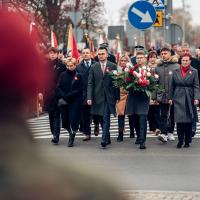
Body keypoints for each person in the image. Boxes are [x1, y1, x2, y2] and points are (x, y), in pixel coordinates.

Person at [0, 10, 124, 200]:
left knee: (85, 119)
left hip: (80, 100)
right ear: (30, 81)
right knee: (63, 120)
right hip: (65, 99)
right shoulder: (89, 190)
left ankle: (91, 134)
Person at [87, 47, 120, 148]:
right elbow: (90, 83)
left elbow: (116, 83)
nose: (101, 55)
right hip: (97, 96)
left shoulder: (113, 66)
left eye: (103, 54)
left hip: (108, 97)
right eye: (99, 54)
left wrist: (117, 96)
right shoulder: (93, 67)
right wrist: (89, 97)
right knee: (101, 118)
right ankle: (108, 137)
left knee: (106, 117)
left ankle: (104, 139)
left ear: (107, 55)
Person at [169, 53, 200, 148]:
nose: (185, 62)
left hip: (189, 97)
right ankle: (180, 140)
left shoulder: (194, 71)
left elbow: (196, 86)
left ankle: (187, 140)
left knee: (188, 120)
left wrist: (196, 98)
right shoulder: (175, 71)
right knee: (179, 120)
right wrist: (170, 98)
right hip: (178, 96)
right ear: (180, 61)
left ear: (190, 61)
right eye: (183, 60)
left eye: (187, 60)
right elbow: (172, 86)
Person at [154, 46, 179, 143]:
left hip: (173, 95)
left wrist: (175, 95)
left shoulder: (176, 66)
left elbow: (178, 81)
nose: (163, 55)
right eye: (162, 54)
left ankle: (170, 132)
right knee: (163, 114)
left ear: (170, 54)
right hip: (162, 95)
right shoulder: (158, 67)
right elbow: (155, 83)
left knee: (172, 114)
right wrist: (154, 96)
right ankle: (163, 134)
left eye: (165, 53)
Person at [125, 51, 150, 149]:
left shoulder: (148, 70)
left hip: (143, 97)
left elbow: (153, 83)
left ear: (145, 59)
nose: (139, 59)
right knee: (134, 119)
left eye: (141, 57)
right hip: (133, 96)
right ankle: (138, 135)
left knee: (142, 118)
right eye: (137, 58)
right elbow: (126, 82)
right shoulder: (131, 70)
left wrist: (147, 83)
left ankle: (142, 141)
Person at [57, 57, 83, 147]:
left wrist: (69, 95)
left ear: (75, 65)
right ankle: (70, 131)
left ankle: (72, 136)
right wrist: (63, 95)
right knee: (65, 120)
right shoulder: (62, 75)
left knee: (73, 119)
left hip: (75, 101)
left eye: (71, 66)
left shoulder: (78, 75)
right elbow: (59, 86)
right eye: (67, 66)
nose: (69, 67)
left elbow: (80, 89)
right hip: (64, 101)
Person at [43, 47, 66, 144]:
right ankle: (53, 132)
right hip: (48, 94)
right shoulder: (45, 66)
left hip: (58, 93)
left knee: (57, 114)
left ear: (57, 54)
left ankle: (56, 135)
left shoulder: (61, 65)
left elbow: (64, 80)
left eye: (54, 53)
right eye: (50, 53)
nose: (52, 55)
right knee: (51, 115)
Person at [76, 48, 96, 141]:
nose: (85, 54)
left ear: (91, 54)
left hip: (95, 92)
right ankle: (87, 133)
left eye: (87, 53)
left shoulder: (96, 64)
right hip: (84, 93)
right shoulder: (79, 67)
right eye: (83, 53)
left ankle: (96, 124)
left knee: (96, 113)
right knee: (85, 114)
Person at [115, 55, 133, 142]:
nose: (123, 62)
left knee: (131, 115)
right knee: (121, 115)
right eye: (121, 60)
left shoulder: (132, 71)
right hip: (120, 95)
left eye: (125, 61)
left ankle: (132, 131)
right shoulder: (116, 71)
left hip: (130, 95)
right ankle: (120, 134)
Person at [147, 51, 161, 136]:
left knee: (156, 111)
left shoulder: (159, 67)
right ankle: (152, 127)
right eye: (151, 57)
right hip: (148, 91)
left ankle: (157, 128)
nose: (152, 59)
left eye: (154, 57)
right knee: (149, 111)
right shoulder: (146, 67)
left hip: (157, 90)